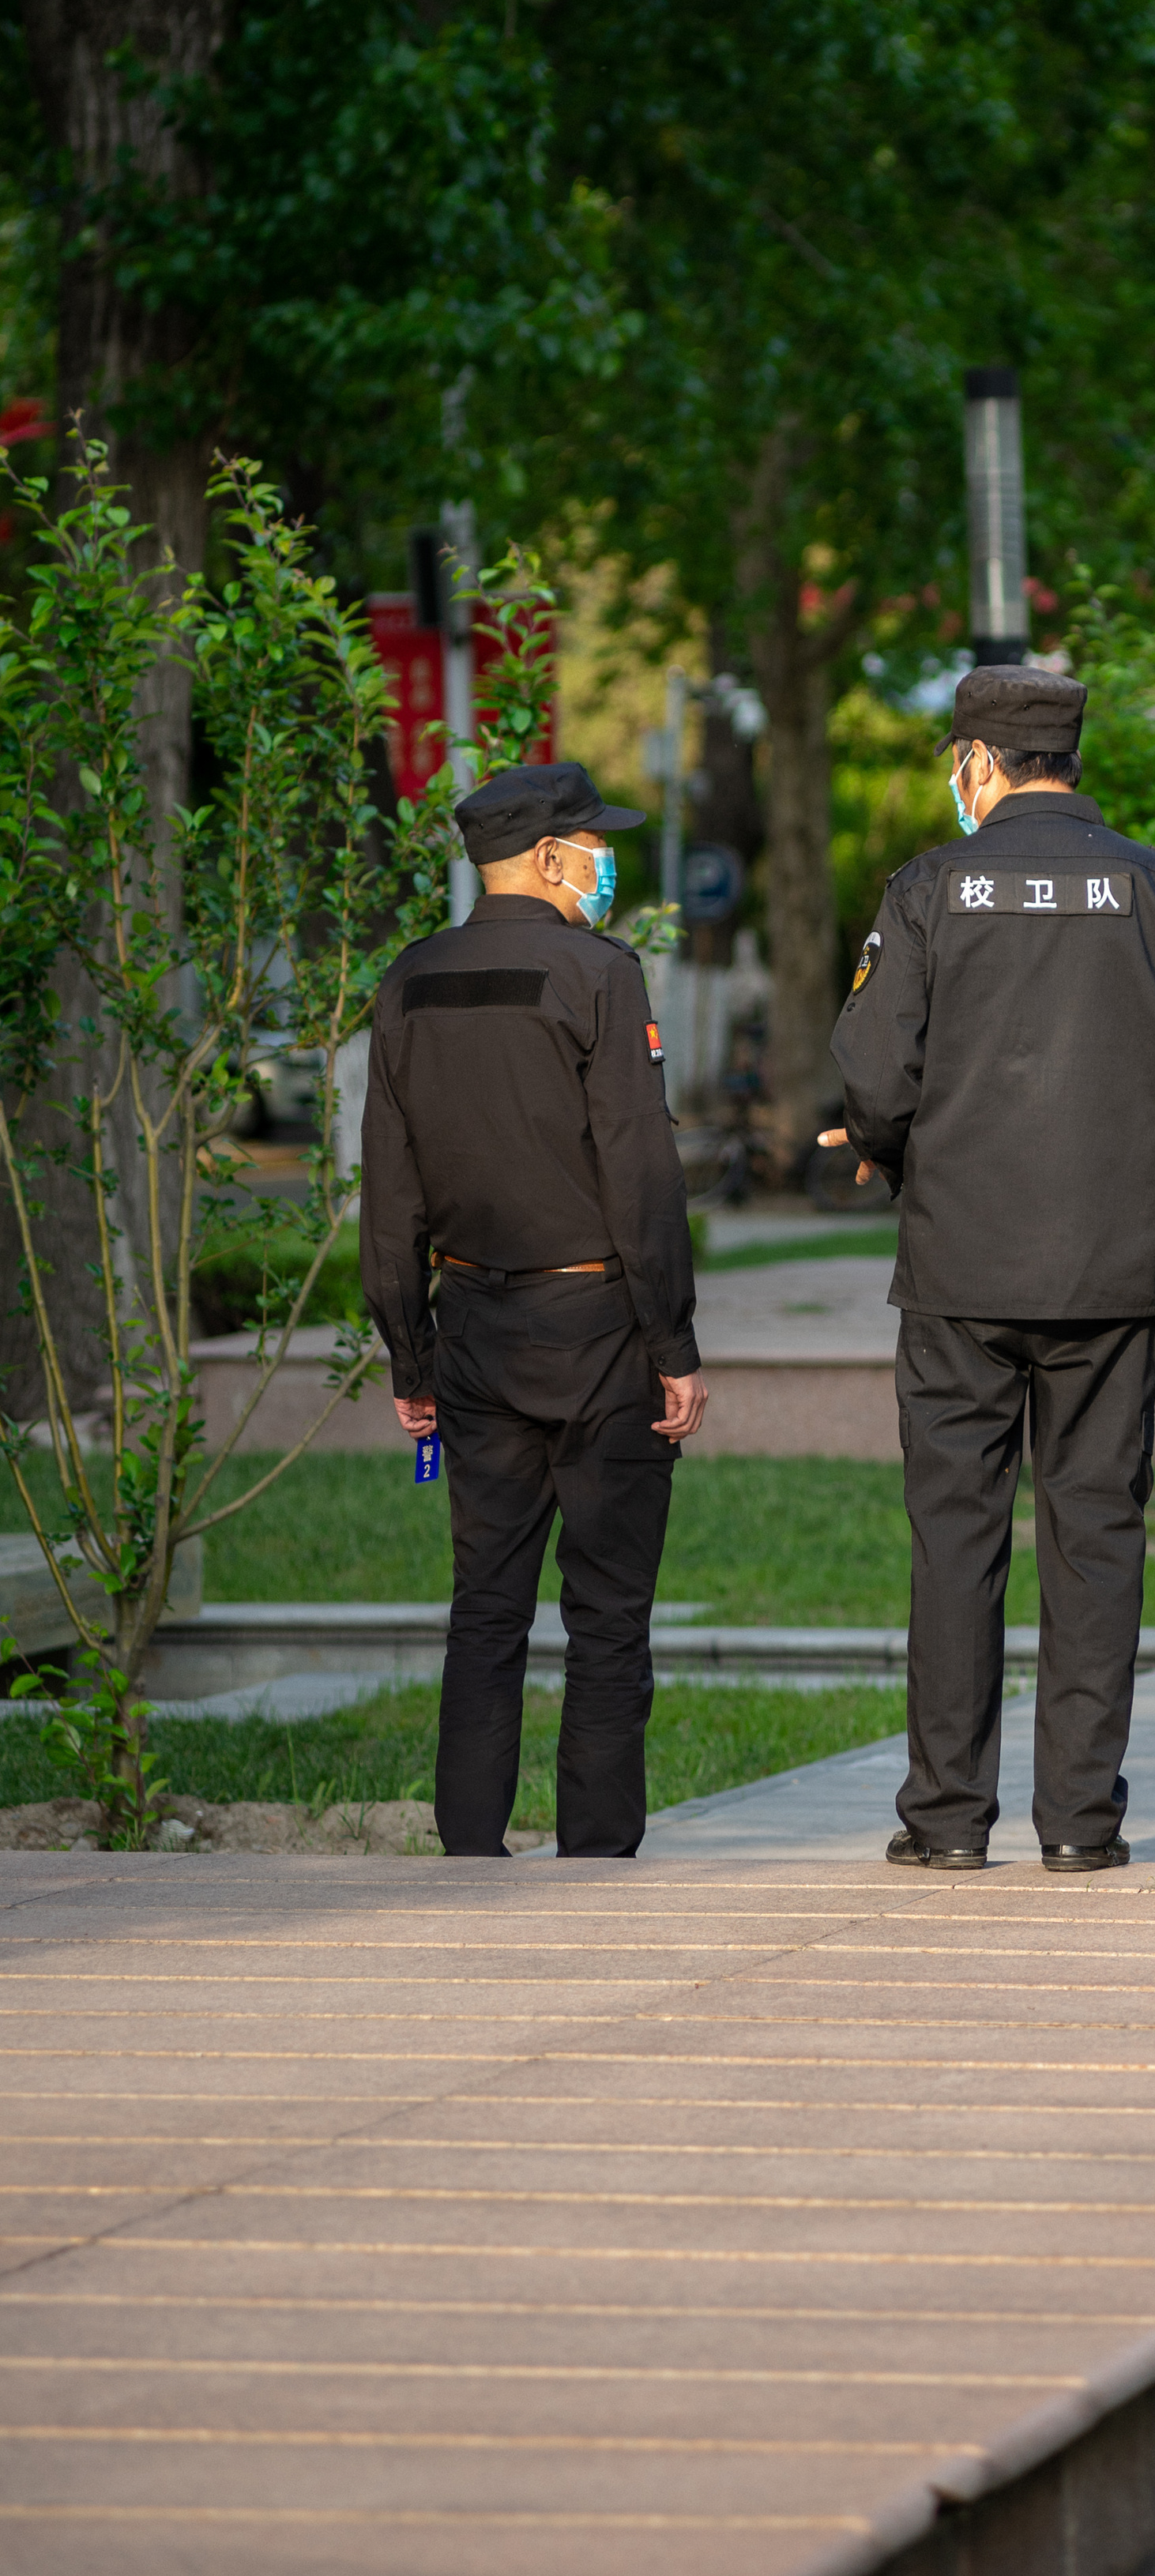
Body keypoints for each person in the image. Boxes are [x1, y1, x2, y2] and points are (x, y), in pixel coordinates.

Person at [826, 664, 1155, 1875]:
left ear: (980, 762)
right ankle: (1083, 1827)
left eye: (957, 761)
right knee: (1096, 1541)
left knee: (955, 1540)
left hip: (957, 1277)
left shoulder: (928, 889)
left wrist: (882, 1147)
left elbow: (877, 1077)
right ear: (1070, 760)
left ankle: (943, 1824)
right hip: (1109, 1280)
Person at [359, 762, 708, 1860]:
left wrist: (409, 1360)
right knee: (607, 1614)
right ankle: (597, 1853)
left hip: (471, 1328)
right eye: (596, 846)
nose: (607, 862)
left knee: (486, 1607)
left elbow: (390, 1194)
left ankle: (470, 1845)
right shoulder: (600, 974)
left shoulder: (409, 980)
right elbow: (641, 1178)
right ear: (551, 859)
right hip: (601, 1332)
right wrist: (675, 1348)